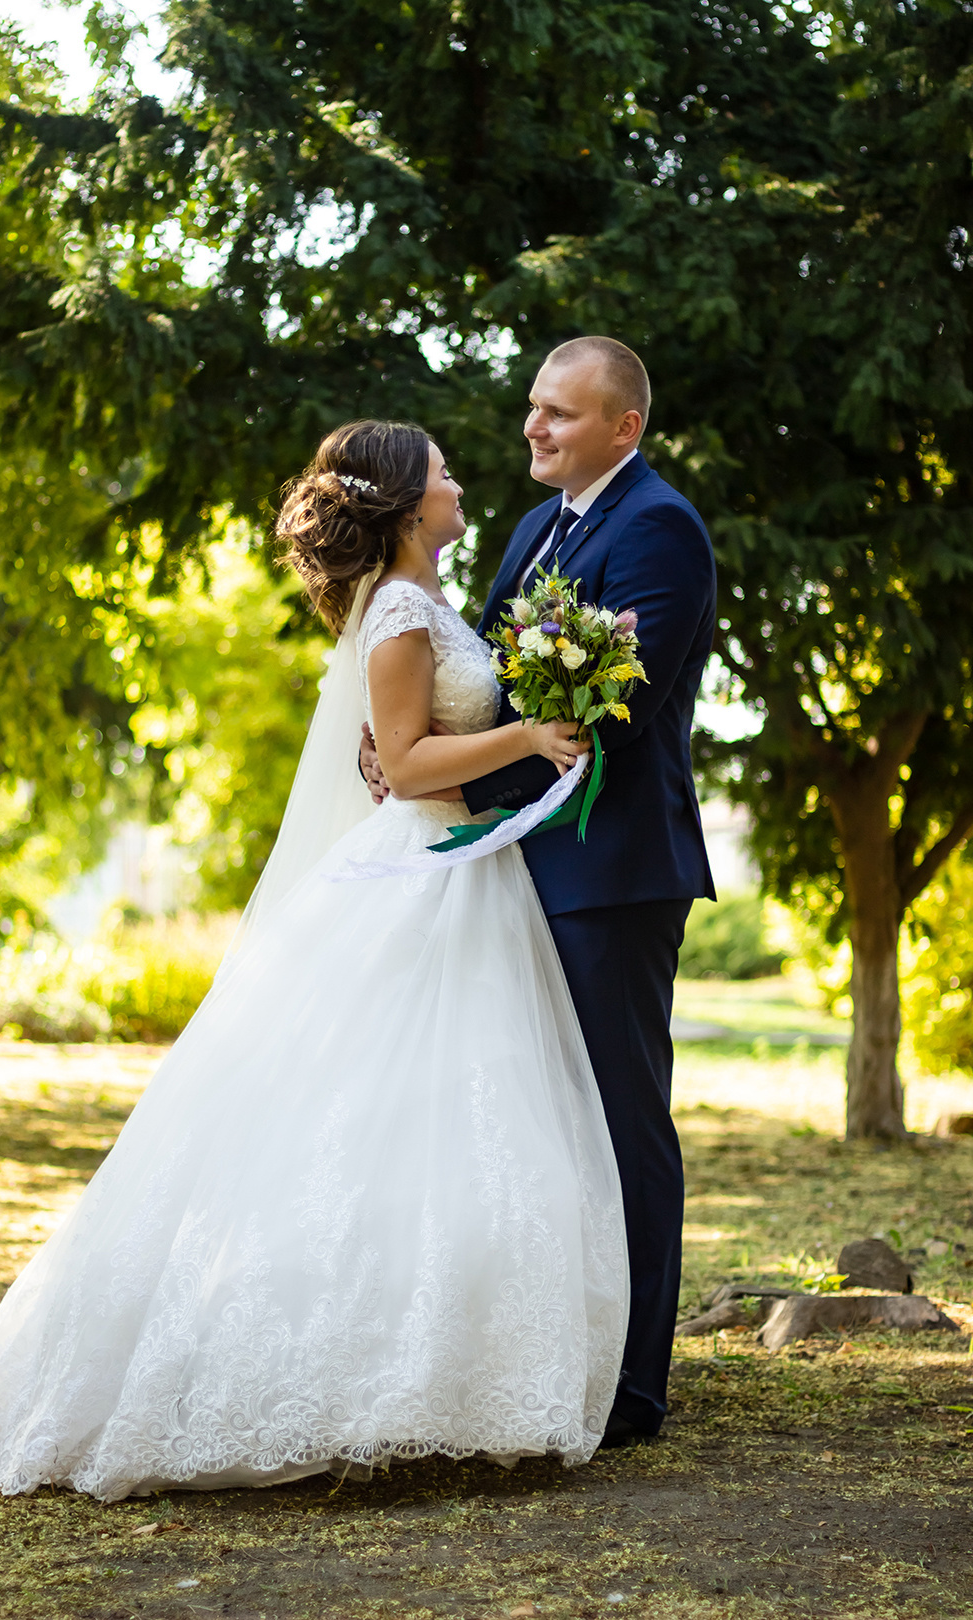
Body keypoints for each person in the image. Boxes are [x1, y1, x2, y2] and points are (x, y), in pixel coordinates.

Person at [0, 418, 629, 1502]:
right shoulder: (403, 610)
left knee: (442, 1119)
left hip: (462, 869)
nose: (460, 484)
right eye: (444, 475)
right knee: (379, 1113)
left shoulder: (425, 604)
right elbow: (403, 766)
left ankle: (436, 1376)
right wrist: (530, 735)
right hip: (424, 861)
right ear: (410, 509)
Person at [363, 338, 716, 1446]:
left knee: (618, 1122)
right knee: (539, 1125)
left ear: (625, 428)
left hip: (608, 873)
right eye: (532, 409)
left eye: (560, 414)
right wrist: (408, 756)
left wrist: (446, 771)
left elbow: (613, 715)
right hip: (520, 860)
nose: (533, 428)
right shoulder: (531, 531)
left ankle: (633, 1387)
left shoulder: (658, 528)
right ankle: (558, 1352)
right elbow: (495, 693)